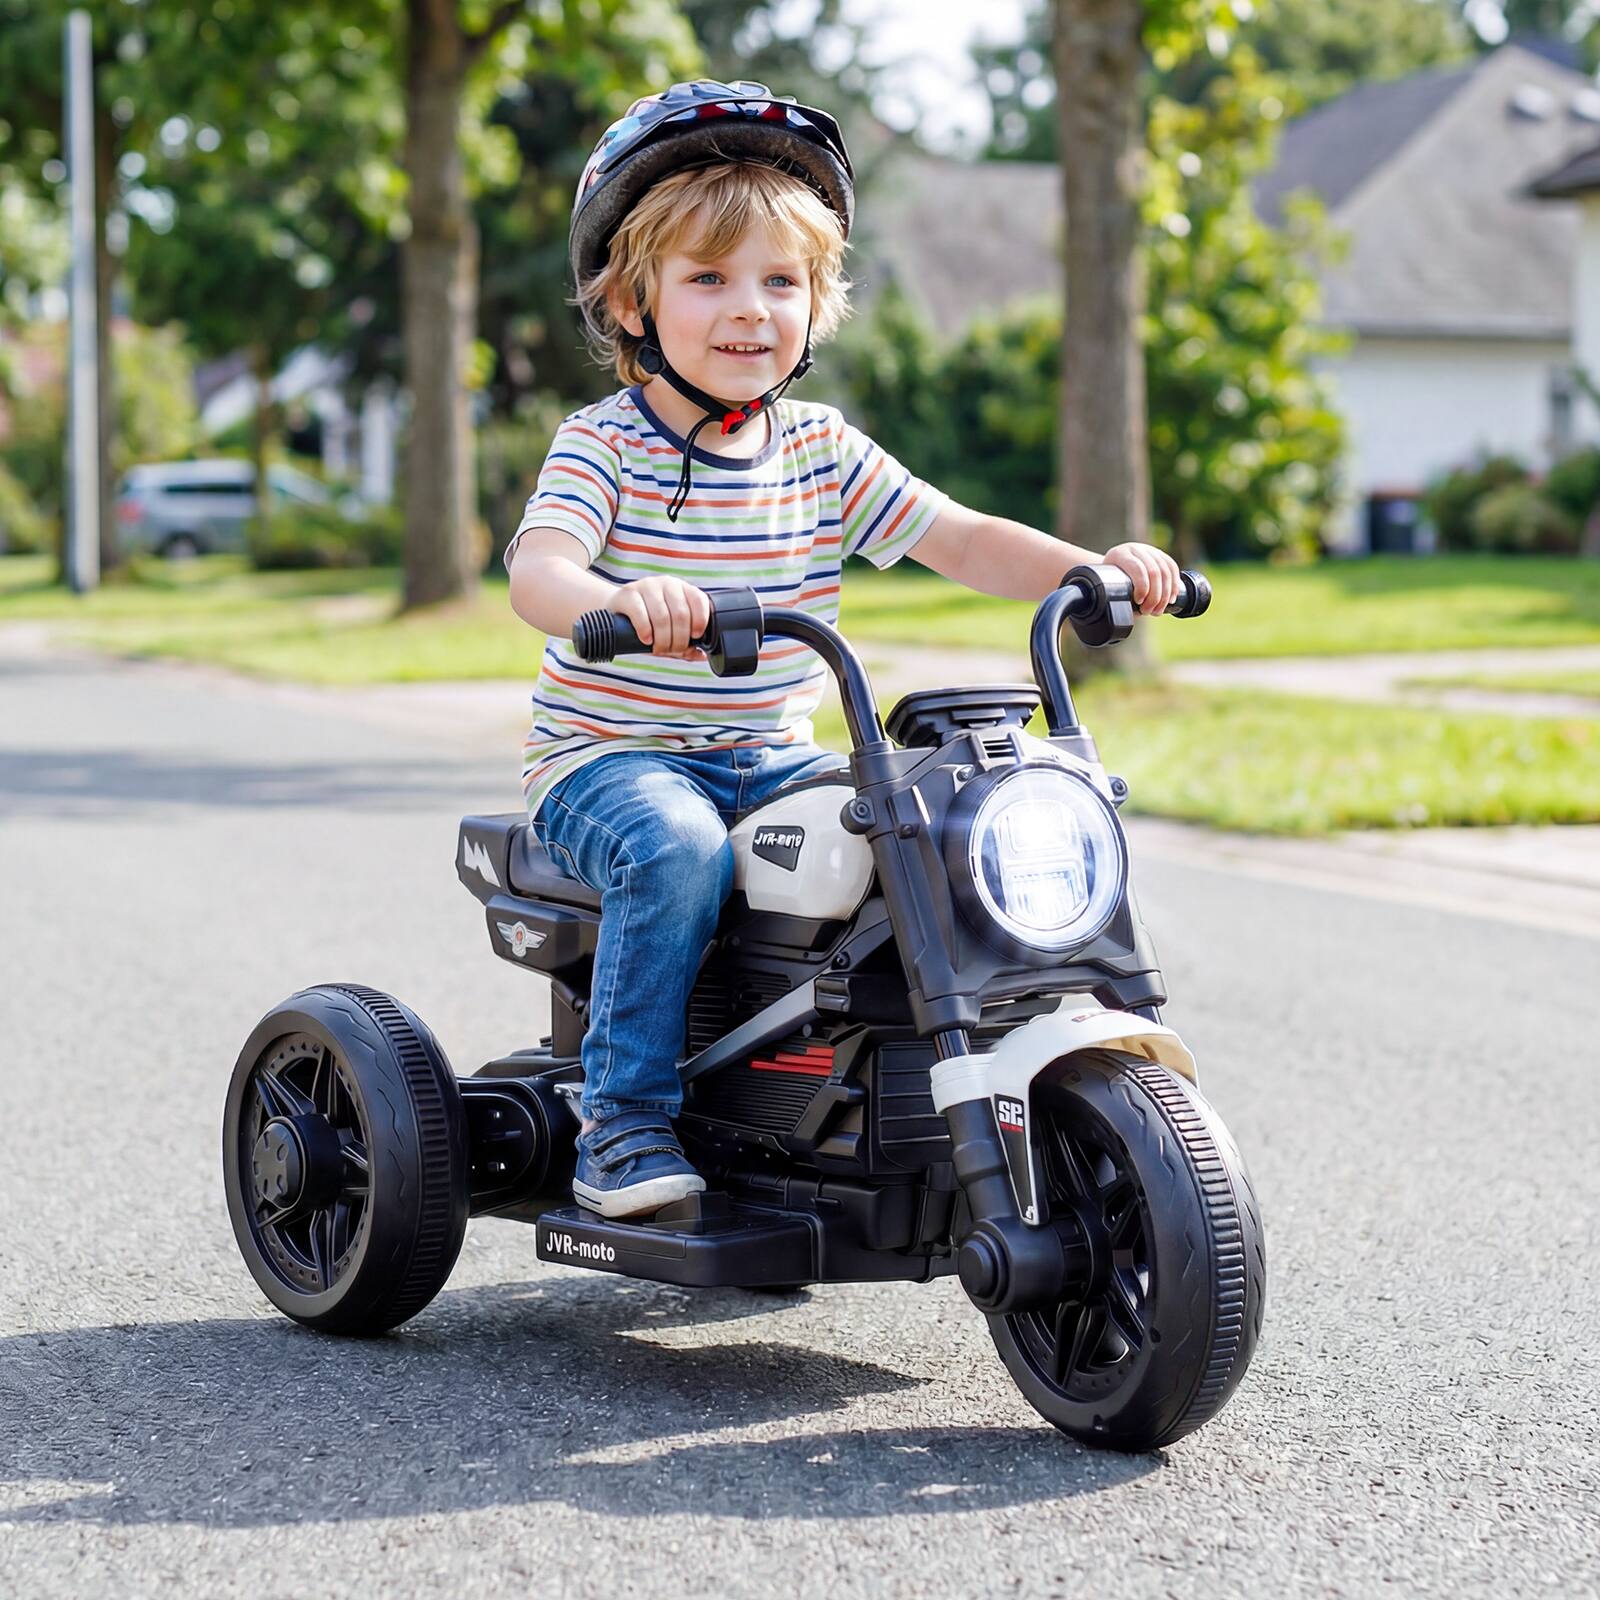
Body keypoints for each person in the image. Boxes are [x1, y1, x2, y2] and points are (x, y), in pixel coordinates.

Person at [506, 80, 1181, 1219]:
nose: (748, 310)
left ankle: (858, 1104)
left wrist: (1089, 567)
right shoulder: (601, 444)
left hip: (770, 756)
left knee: (930, 830)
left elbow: (957, 535)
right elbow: (538, 571)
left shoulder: (819, 449)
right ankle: (618, 1124)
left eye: (781, 281)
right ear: (631, 303)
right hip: (609, 759)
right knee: (675, 849)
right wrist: (619, 597)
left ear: (817, 307)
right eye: (708, 278)